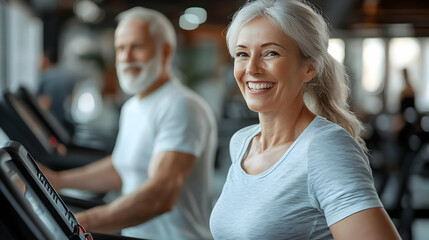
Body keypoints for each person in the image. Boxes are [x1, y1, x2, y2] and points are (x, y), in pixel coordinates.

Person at [209, 0, 401, 239]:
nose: (252, 68)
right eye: (242, 54)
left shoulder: (324, 148)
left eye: (271, 53)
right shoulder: (242, 143)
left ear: (309, 68)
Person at [40, 7, 217, 240]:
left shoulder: (181, 105)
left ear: (165, 52)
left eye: (137, 47)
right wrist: (57, 180)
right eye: (121, 48)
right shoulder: (133, 107)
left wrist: (75, 223)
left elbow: (159, 196)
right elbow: (121, 167)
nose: (125, 57)